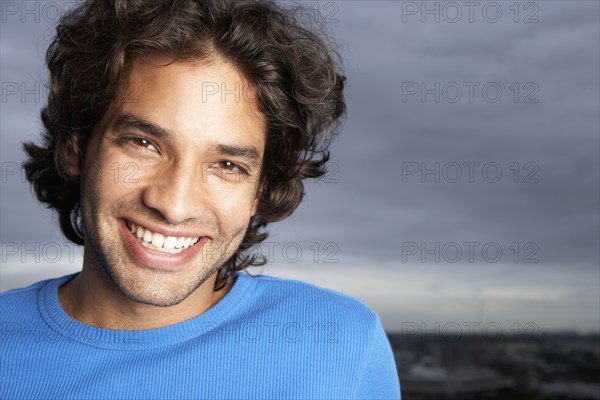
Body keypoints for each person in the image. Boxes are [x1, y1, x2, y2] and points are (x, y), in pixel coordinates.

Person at [0, 0, 401, 398]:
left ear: (260, 191)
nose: (174, 205)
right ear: (76, 149)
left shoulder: (341, 347)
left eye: (227, 165)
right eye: (143, 143)